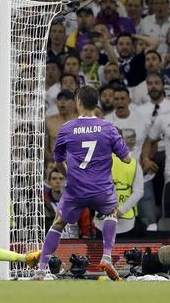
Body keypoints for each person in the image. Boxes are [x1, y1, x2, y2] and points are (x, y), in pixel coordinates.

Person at [36, 85, 132, 281]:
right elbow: (128, 159)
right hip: (102, 188)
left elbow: (57, 160)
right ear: (95, 103)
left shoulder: (67, 128)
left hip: (76, 188)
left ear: (78, 102)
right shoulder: (108, 128)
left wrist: (70, 174)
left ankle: (42, 267)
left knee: (59, 223)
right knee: (111, 213)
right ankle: (106, 256)